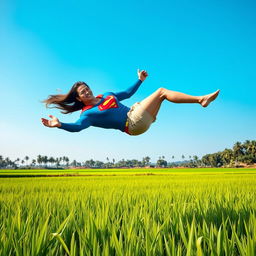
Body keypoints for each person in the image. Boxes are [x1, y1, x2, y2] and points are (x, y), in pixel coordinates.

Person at [41, 69, 220, 136]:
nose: (87, 91)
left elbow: (127, 93)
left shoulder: (106, 95)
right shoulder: (87, 113)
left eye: (87, 88)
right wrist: (60, 125)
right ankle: (201, 99)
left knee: (162, 95)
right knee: (162, 92)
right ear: (79, 98)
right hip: (132, 124)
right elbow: (78, 127)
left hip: (138, 116)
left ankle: (200, 100)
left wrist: (140, 80)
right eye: (82, 92)